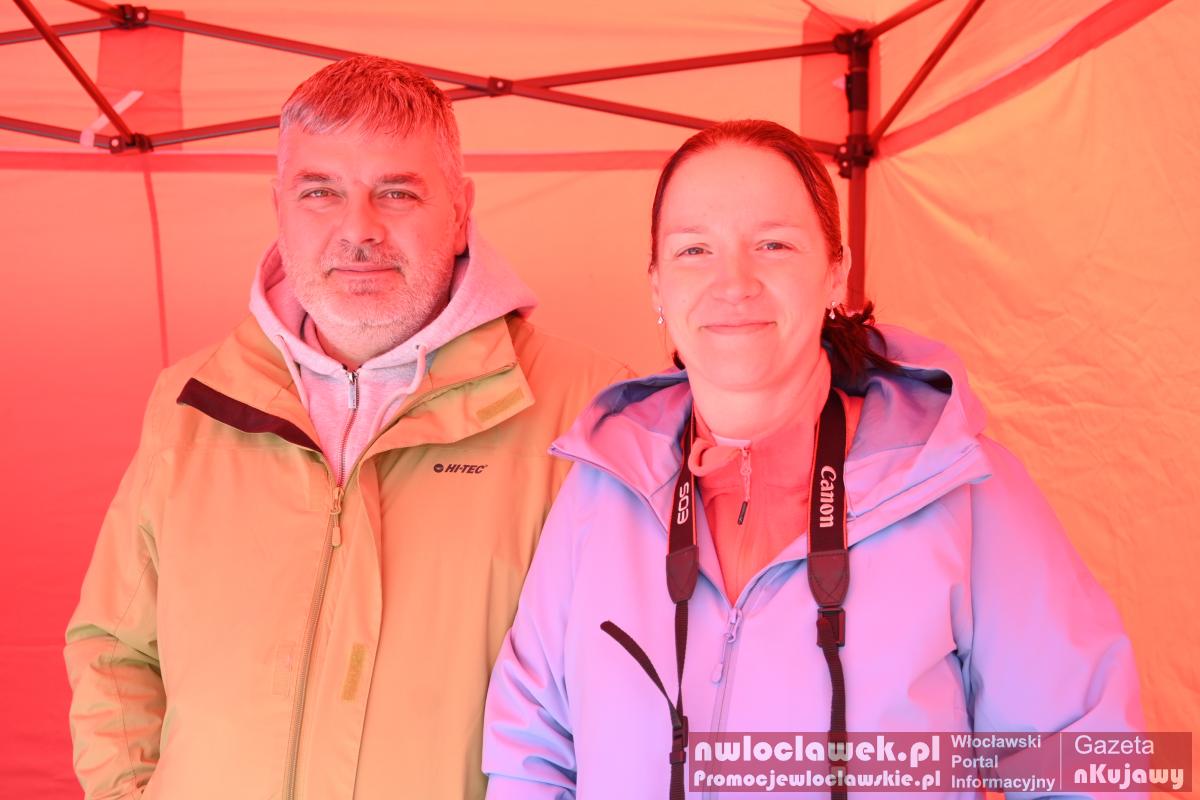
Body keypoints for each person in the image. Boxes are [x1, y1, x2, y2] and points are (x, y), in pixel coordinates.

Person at [482, 120, 1144, 799]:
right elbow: (531, 751)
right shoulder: (601, 488)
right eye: (694, 250)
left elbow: (1086, 765)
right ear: (656, 285)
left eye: (773, 244)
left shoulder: (958, 486)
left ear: (835, 271)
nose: (733, 283)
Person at [64, 55, 627, 800]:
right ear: (279, 206)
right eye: (320, 192)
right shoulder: (191, 402)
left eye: (396, 192)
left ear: (460, 209)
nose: (358, 229)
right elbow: (113, 650)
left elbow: (627, 699)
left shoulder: (589, 411)